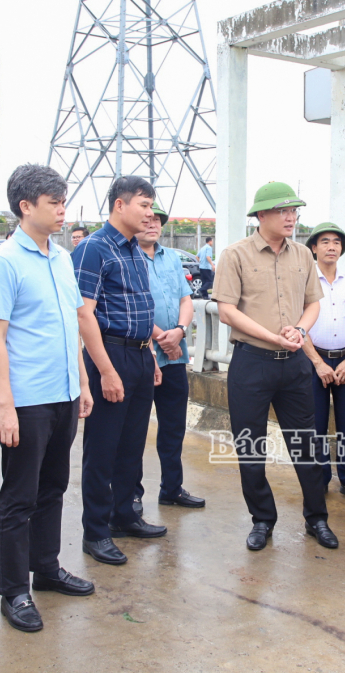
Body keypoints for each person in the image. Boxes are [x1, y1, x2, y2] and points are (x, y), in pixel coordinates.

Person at [0, 164, 95, 633]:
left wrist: (83, 383)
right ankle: (13, 590)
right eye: (54, 202)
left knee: (53, 488)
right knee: (19, 497)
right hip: (27, 400)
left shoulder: (62, 258)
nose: (62, 210)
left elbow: (72, 325)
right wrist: (4, 406)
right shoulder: (5, 261)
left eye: (63, 201)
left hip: (63, 394)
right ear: (26, 206)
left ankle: (46, 567)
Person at [213, 181, 337, 552]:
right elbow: (226, 310)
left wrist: (300, 330)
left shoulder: (302, 255)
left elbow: (314, 303)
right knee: (250, 447)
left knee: (306, 445)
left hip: (294, 365)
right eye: (283, 211)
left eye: (294, 211)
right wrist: (271, 336)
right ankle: (262, 519)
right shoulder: (235, 255)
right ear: (261, 215)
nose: (291, 217)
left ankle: (317, 518)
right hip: (252, 363)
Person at [73, 176, 165, 567]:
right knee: (103, 448)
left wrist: (152, 356)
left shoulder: (133, 249)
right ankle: (95, 532)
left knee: (131, 445)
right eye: (144, 205)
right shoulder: (93, 248)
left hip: (140, 356)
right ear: (119, 205)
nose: (150, 213)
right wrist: (106, 371)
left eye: (151, 206)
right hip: (110, 356)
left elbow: (140, 308)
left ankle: (124, 515)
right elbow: (84, 314)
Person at [133, 201, 206, 513]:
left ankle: (172, 488)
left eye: (158, 220)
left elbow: (185, 300)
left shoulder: (172, 257)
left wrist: (179, 331)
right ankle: (131, 494)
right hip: (141, 355)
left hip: (174, 356)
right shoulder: (126, 257)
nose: (153, 224)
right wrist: (161, 338)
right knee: (134, 431)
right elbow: (130, 307)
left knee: (174, 427)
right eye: (147, 218)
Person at [301, 223, 345, 503]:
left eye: (337, 242)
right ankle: (319, 480)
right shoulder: (305, 283)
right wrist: (318, 363)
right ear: (314, 248)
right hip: (313, 362)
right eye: (325, 241)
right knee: (315, 425)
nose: (332, 247)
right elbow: (299, 327)